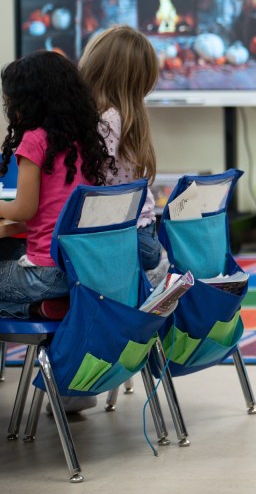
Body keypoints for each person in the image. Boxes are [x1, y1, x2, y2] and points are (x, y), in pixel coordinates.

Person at [0, 51, 113, 318]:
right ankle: (40, 309)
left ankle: (35, 308)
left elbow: (24, 210)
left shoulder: (34, 141)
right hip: (79, 270)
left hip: (43, 274)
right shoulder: (83, 139)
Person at [78, 26, 164, 280]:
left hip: (121, 238)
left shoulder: (104, 121)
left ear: (94, 67)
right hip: (144, 235)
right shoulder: (129, 116)